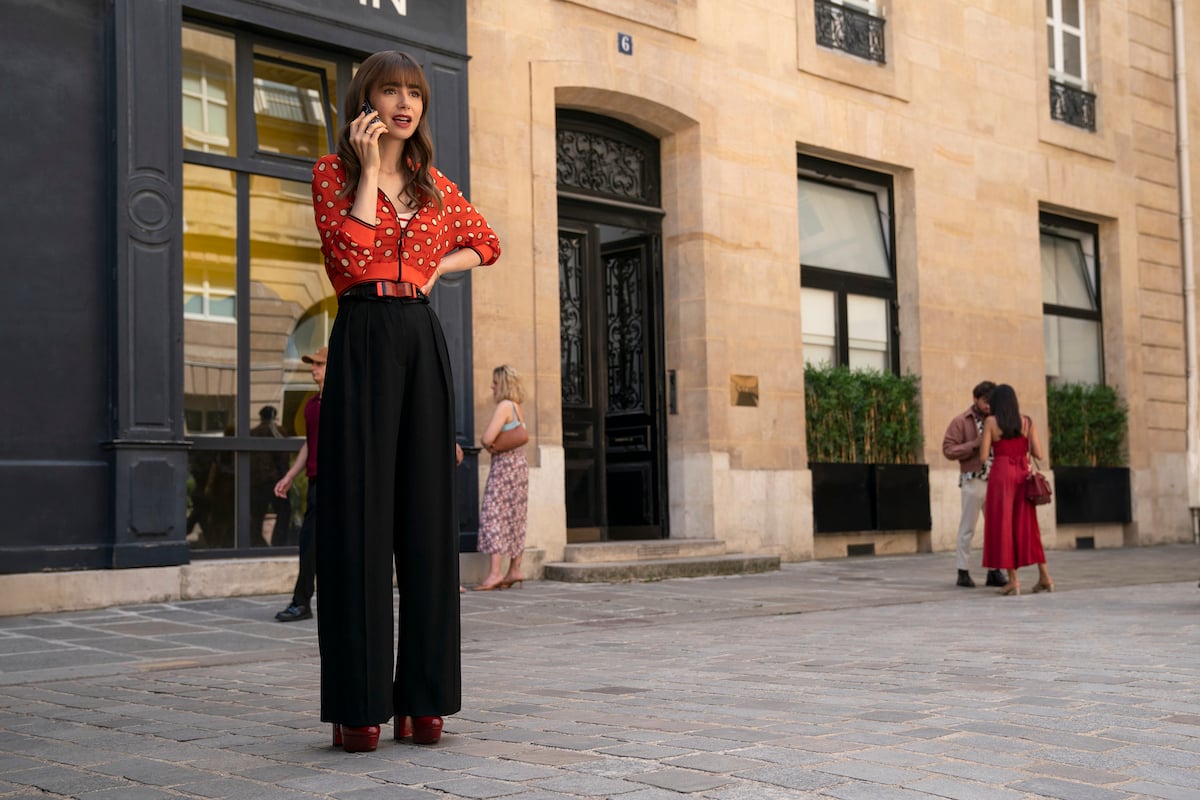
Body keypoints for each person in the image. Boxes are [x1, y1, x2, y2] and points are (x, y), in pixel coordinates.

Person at [310, 51, 501, 754]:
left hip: (421, 338)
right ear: (366, 99)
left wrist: (428, 269)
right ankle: (359, 705)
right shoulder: (332, 174)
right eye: (390, 90)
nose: (404, 103)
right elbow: (354, 256)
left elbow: (487, 243)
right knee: (357, 518)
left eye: (414, 92)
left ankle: (425, 698)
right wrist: (367, 174)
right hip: (360, 332)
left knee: (426, 518)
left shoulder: (435, 186)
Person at [979, 384, 1054, 596]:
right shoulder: (1027, 422)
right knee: (1028, 526)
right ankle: (1045, 577)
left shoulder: (991, 422)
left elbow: (984, 457)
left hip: (1001, 476)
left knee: (1004, 525)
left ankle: (1013, 581)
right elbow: (1038, 453)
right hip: (1022, 475)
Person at [272, 347, 327, 623]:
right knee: (309, 544)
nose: (313, 368)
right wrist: (291, 475)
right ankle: (301, 602)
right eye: (311, 364)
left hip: (341, 486)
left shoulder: (345, 401)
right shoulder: (312, 405)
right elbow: (309, 444)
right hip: (318, 484)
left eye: (318, 364)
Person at [942, 381, 1007, 589]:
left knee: (996, 528)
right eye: (985, 402)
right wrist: (974, 445)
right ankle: (963, 571)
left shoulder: (999, 420)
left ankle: (995, 571)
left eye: (992, 402)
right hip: (973, 479)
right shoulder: (961, 421)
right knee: (967, 527)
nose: (989, 406)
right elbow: (948, 450)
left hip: (996, 481)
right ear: (975, 399)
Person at [474, 365, 530, 592]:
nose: (491, 386)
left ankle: (495, 573)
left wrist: (490, 446)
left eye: (495, 383)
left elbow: (487, 438)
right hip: (520, 467)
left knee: (493, 514)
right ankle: (515, 568)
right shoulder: (517, 407)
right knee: (516, 516)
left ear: (503, 384)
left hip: (504, 467)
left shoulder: (504, 406)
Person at [250, 406, 291, 547]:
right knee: (284, 512)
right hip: (275, 480)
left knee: (256, 515)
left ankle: (256, 543)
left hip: (256, 481)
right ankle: (278, 543)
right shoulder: (279, 432)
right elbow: (284, 457)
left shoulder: (252, 433)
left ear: (261, 417)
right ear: (274, 416)